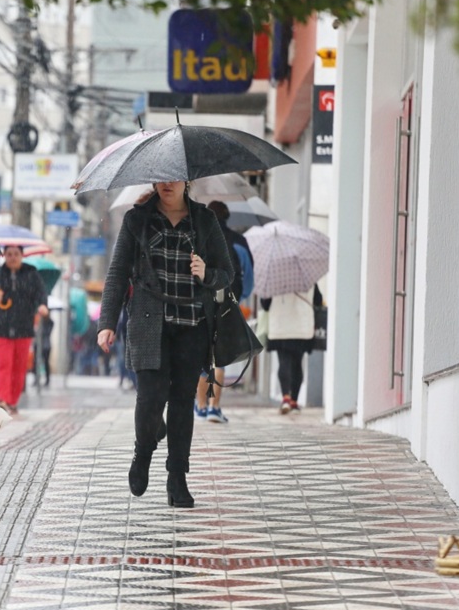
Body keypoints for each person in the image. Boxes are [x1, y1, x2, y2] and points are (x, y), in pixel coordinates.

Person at [97, 181, 234, 508]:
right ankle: (143, 452)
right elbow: (117, 274)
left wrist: (206, 273)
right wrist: (106, 323)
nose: (167, 184)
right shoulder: (137, 219)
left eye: (173, 177)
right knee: (150, 398)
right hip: (148, 322)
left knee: (182, 401)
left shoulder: (204, 220)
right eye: (161, 177)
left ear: (185, 181)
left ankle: (177, 477)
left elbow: (226, 273)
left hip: (192, 325)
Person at [195, 200, 256, 423]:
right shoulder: (239, 242)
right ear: (227, 216)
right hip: (227, 304)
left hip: (202, 304)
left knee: (203, 355)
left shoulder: (199, 237)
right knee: (218, 356)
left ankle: (200, 406)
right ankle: (214, 407)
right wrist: (239, 298)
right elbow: (248, 279)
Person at [0, 245, 49, 415]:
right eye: (9, 254)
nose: (12, 257)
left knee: (19, 367)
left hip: (24, 328)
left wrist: (42, 306)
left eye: (16, 254)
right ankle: (1, 400)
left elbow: (41, 294)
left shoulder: (32, 275)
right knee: (4, 364)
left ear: (22, 255)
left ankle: (12, 401)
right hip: (1, 329)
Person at [260, 284, 323, 414]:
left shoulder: (275, 278)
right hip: (301, 326)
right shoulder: (308, 279)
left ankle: (286, 399)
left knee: (284, 361)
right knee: (297, 363)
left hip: (280, 326)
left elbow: (265, 304)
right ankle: (294, 401)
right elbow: (318, 300)